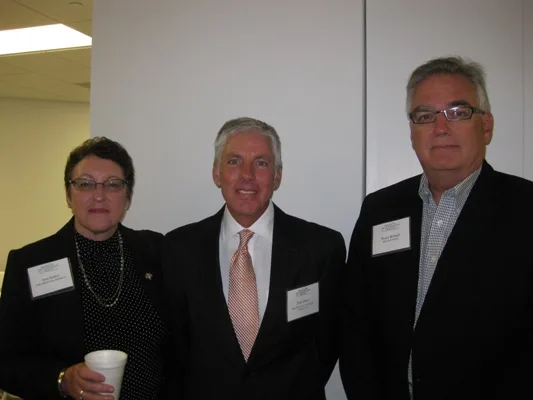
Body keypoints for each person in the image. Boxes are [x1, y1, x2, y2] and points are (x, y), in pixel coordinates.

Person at [340, 56, 533, 400]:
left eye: (458, 112)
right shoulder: (379, 209)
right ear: (412, 132)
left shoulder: (526, 208)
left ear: (486, 126)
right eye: (425, 115)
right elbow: (355, 321)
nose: (441, 127)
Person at [163, 117, 346, 399]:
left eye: (261, 163)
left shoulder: (321, 248)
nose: (247, 175)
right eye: (234, 162)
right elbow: (175, 346)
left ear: (277, 176)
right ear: (216, 173)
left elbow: (328, 342)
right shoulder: (179, 249)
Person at [0, 137, 171, 400]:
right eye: (85, 184)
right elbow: (6, 361)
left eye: (113, 184)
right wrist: (61, 379)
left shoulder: (155, 252)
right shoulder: (30, 263)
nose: (99, 195)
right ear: (68, 195)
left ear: (127, 197)